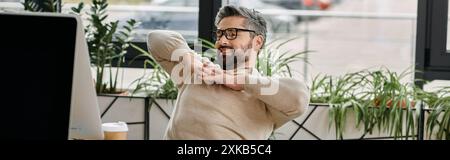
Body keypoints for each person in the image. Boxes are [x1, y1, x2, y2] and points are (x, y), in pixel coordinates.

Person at [147, 5, 310, 140]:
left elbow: (299, 98)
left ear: (257, 42)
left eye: (232, 34)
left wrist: (238, 81)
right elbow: (156, 38)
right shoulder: (199, 71)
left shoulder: (264, 93)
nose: (221, 41)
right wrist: (189, 58)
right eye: (219, 34)